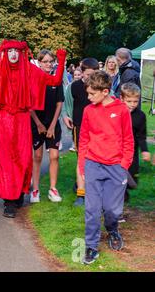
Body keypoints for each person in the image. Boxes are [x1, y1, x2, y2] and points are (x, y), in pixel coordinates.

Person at [0, 39, 66, 217]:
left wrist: (61, 59)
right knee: (5, 160)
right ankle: (8, 200)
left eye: (16, 51)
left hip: (21, 119)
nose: (12, 54)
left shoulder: (29, 69)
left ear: (21, 53)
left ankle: (19, 191)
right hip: (2, 120)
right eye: (9, 51)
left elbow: (56, 81)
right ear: (4, 52)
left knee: (23, 157)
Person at [78, 70, 134, 265]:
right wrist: (82, 166)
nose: (88, 97)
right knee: (92, 209)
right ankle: (91, 246)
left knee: (112, 210)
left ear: (105, 91)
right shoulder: (88, 110)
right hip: (93, 164)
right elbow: (83, 139)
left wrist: (123, 165)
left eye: (92, 93)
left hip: (115, 167)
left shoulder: (121, 110)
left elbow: (128, 140)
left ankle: (112, 230)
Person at [62, 58, 99, 206]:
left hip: (97, 128)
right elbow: (66, 104)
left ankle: (90, 186)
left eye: (94, 74)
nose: (91, 78)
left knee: (95, 158)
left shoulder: (100, 86)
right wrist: (66, 116)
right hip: (79, 127)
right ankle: (81, 189)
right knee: (82, 158)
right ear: (82, 72)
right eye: (88, 74)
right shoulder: (74, 87)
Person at [30, 49, 64, 203]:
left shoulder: (57, 80)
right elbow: (29, 104)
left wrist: (51, 126)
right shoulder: (33, 79)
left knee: (54, 156)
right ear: (39, 63)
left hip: (52, 124)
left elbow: (59, 103)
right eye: (45, 62)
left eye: (51, 61)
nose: (49, 64)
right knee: (37, 156)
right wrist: (38, 123)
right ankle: (35, 190)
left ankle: (53, 188)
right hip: (37, 124)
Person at [120, 83, 151, 205]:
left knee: (132, 182)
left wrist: (144, 150)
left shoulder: (140, 116)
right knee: (118, 178)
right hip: (116, 151)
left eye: (135, 101)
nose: (132, 104)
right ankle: (119, 200)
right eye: (129, 101)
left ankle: (124, 191)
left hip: (132, 152)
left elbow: (141, 135)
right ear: (122, 99)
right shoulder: (116, 113)